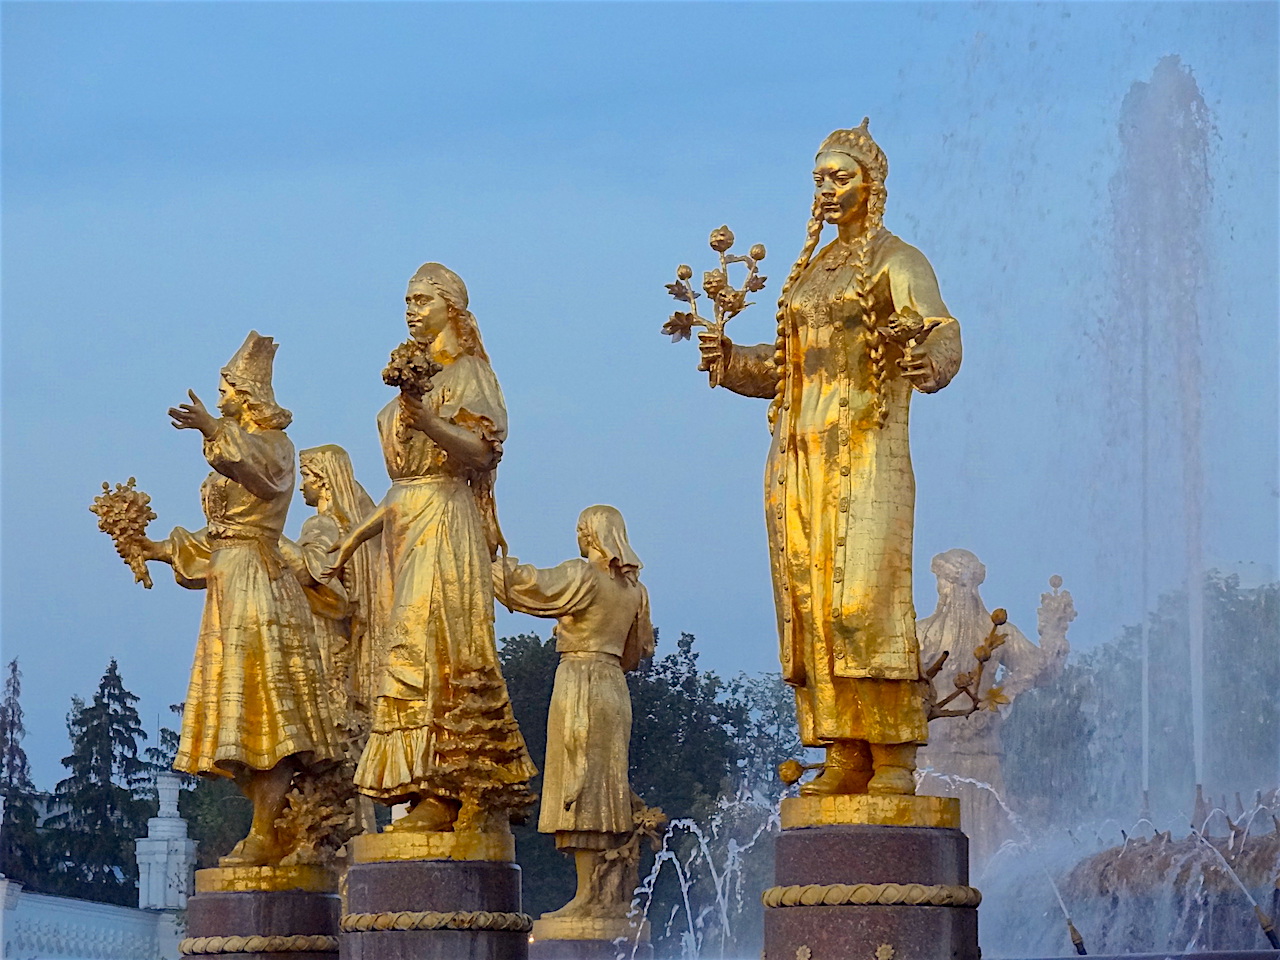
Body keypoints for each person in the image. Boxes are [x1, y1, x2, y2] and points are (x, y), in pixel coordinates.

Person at [694, 120, 963, 796]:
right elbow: (788, 369)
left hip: (866, 451)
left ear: (872, 184)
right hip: (797, 455)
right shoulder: (813, 273)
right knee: (810, 604)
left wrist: (929, 357)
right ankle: (842, 747)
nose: (828, 190)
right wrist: (730, 361)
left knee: (862, 603)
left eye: (840, 177)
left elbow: (938, 328)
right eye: (819, 179)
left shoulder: (899, 261)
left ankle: (893, 754)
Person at [329, 263, 535, 831]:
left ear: (452, 306)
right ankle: (416, 783)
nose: (411, 308)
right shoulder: (413, 378)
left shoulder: (469, 372)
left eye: (422, 299)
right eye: (407, 300)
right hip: (406, 521)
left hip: (446, 516)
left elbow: (482, 451)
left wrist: (426, 421)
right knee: (401, 647)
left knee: (432, 648)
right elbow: (397, 490)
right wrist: (349, 544)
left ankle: (445, 788)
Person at [138, 331, 341, 865]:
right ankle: (265, 827)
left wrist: (213, 429)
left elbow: (264, 483)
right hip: (228, 584)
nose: (221, 395)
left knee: (262, 706)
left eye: (226, 387)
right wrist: (153, 546)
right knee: (238, 716)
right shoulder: (234, 443)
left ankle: (263, 832)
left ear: (246, 393)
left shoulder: (274, 447)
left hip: (257, 584)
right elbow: (218, 533)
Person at [493, 505, 654, 918]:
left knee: (580, 786)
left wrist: (486, 559)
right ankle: (605, 897)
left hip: (579, 681)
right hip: (613, 688)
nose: (579, 539)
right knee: (606, 785)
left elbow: (531, 587)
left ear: (594, 535)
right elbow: (635, 653)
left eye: (581, 531)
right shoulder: (636, 591)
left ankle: (587, 897)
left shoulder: (582, 576)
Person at [287, 444, 389, 739]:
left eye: (306, 475)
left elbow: (313, 573)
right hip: (347, 636)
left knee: (327, 711)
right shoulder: (353, 526)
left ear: (323, 480)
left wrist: (264, 535)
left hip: (324, 631)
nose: (302, 485)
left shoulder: (322, 523)